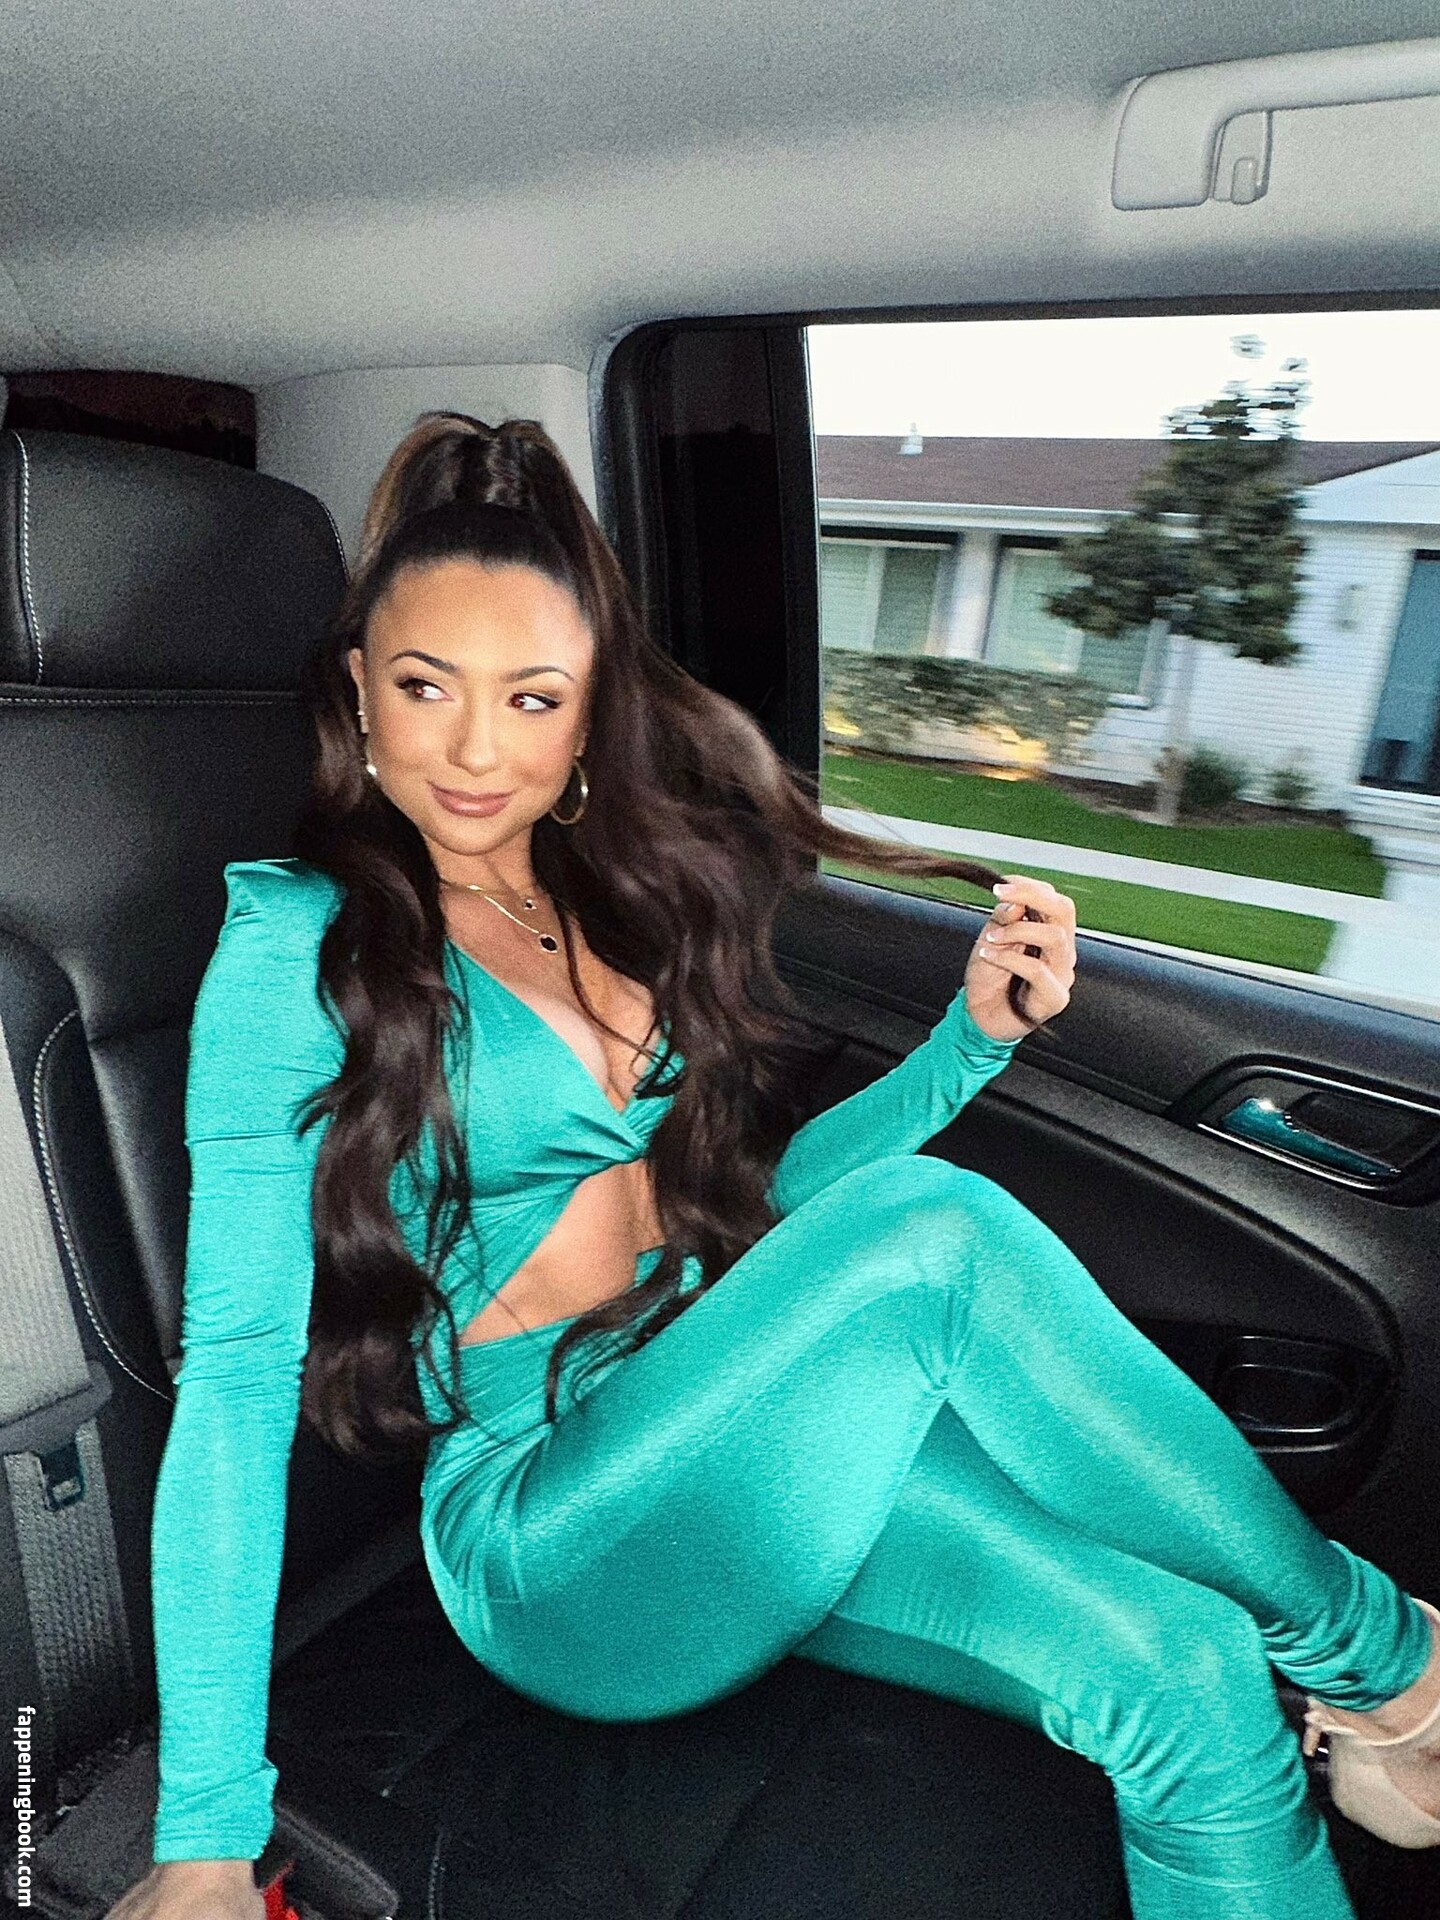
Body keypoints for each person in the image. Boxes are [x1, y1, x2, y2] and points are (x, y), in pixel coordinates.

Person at [114, 413, 1440, 1920]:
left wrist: (964, 1049)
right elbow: (233, 1384)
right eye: (427, 687)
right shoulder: (297, 944)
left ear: (587, 717)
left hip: (724, 1411)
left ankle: (1356, 1717)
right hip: (558, 1533)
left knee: (1188, 1674)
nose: (476, 749)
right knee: (934, 1233)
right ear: (359, 689)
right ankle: (1390, 1662)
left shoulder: (601, 903)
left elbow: (749, 1220)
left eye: (531, 698)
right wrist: (204, 1833)